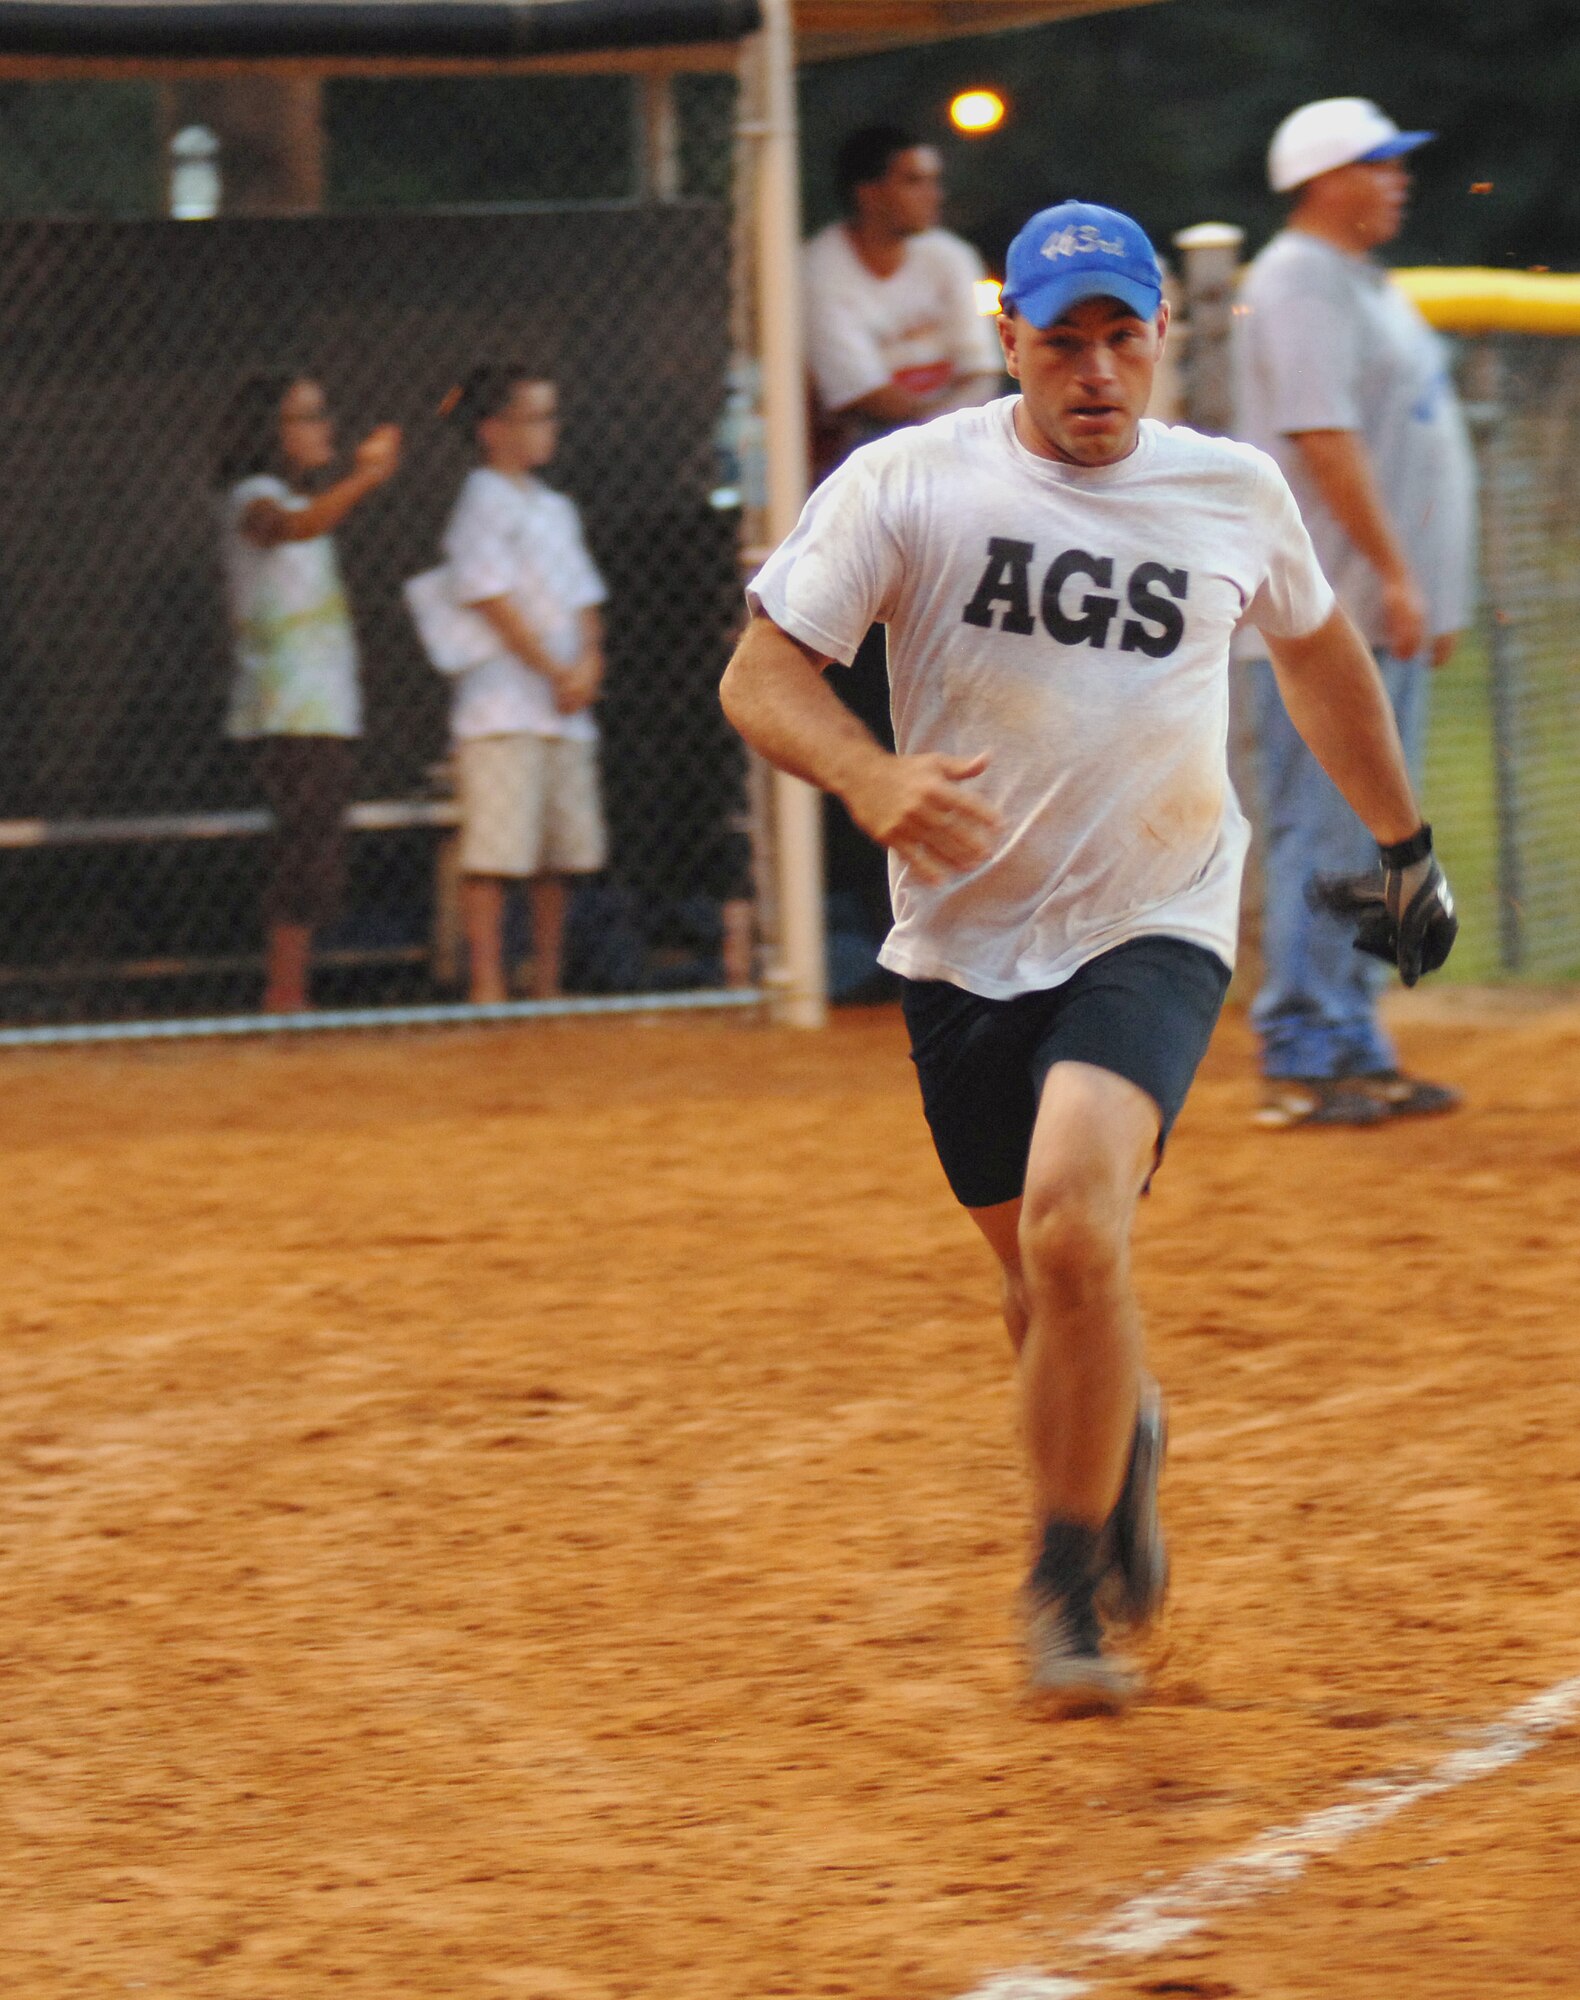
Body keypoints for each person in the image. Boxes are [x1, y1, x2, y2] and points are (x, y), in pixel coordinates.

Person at [721, 201, 1457, 1712]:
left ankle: (1064, 1581)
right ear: (1009, 345)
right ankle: (1122, 1425)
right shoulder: (910, 482)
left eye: (1125, 337)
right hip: (961, 944)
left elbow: (1320, 660)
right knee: (1042, 1288)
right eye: (1064, 342)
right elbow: (760, 673)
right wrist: (868, 778)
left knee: (1072, 1229)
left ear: (1161, 341)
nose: (1098, 371)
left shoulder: (1229, 491)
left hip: (1155, 914)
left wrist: (1404, 849)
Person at [1234, 98, 1478, 1128]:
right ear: (1323, 176)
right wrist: (1393, 573)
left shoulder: (1358, 280)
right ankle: (1301, 1045)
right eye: (1377, 162)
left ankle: (1353, 1039)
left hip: (1378, 615)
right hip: (1324, 619)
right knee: (1327, 833)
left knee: (1380, 834)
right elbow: (1321, 436)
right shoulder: (1294, 278)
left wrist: (1425, 586)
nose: (1397, 178)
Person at [805, 126, 1005, 970]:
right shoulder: (819, 268)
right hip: (852, 519)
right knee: (864, 715)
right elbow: (860, 396)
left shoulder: (951, 258)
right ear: (869, 191)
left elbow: (982, 374)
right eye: (914, 179)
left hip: (954, 515)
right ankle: (862, 929)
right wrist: (938, 409)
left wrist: (924, 410)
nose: (933, 195)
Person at [217, 372, 401, 1013]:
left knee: (317, 847)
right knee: (301, 847)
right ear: (271, 433)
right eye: (307, 417)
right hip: (285, 707)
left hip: (322, 706)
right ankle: (284, 993)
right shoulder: (252, 496)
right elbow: (290, 527)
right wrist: (365, 479)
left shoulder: (296, 501)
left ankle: (293, 989)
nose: (325, 427)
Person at [439, 365, 609, 1005]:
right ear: (492, 430)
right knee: (495, 852)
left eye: (550, 415)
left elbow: (586, 598)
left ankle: (547, 979)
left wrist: (588, 661)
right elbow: (489, 596)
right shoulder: (482, 497)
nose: (549, 429)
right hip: (504, 705)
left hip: (563, 708)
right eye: (534, 417)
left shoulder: (555, 506)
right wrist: (553, 669)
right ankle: (487, 983)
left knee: (555, 856)